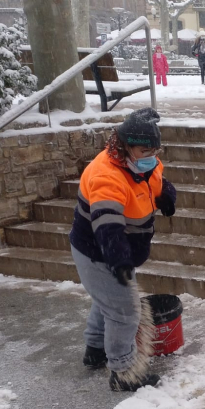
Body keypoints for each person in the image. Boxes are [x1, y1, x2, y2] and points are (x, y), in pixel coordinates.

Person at [69, 108, 177, 392]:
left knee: (107, 299)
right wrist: (119, 260)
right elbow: (108, 225)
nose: (152, 156)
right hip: (98, 252)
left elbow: (157, 181)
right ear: (125, 146)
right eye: (145, 150)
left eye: (156, 149)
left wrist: (166, 196)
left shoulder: (141, 162)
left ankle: (95, 349)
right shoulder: (106, 176)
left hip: (113, 250)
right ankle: (123, 371)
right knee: (124, 311)